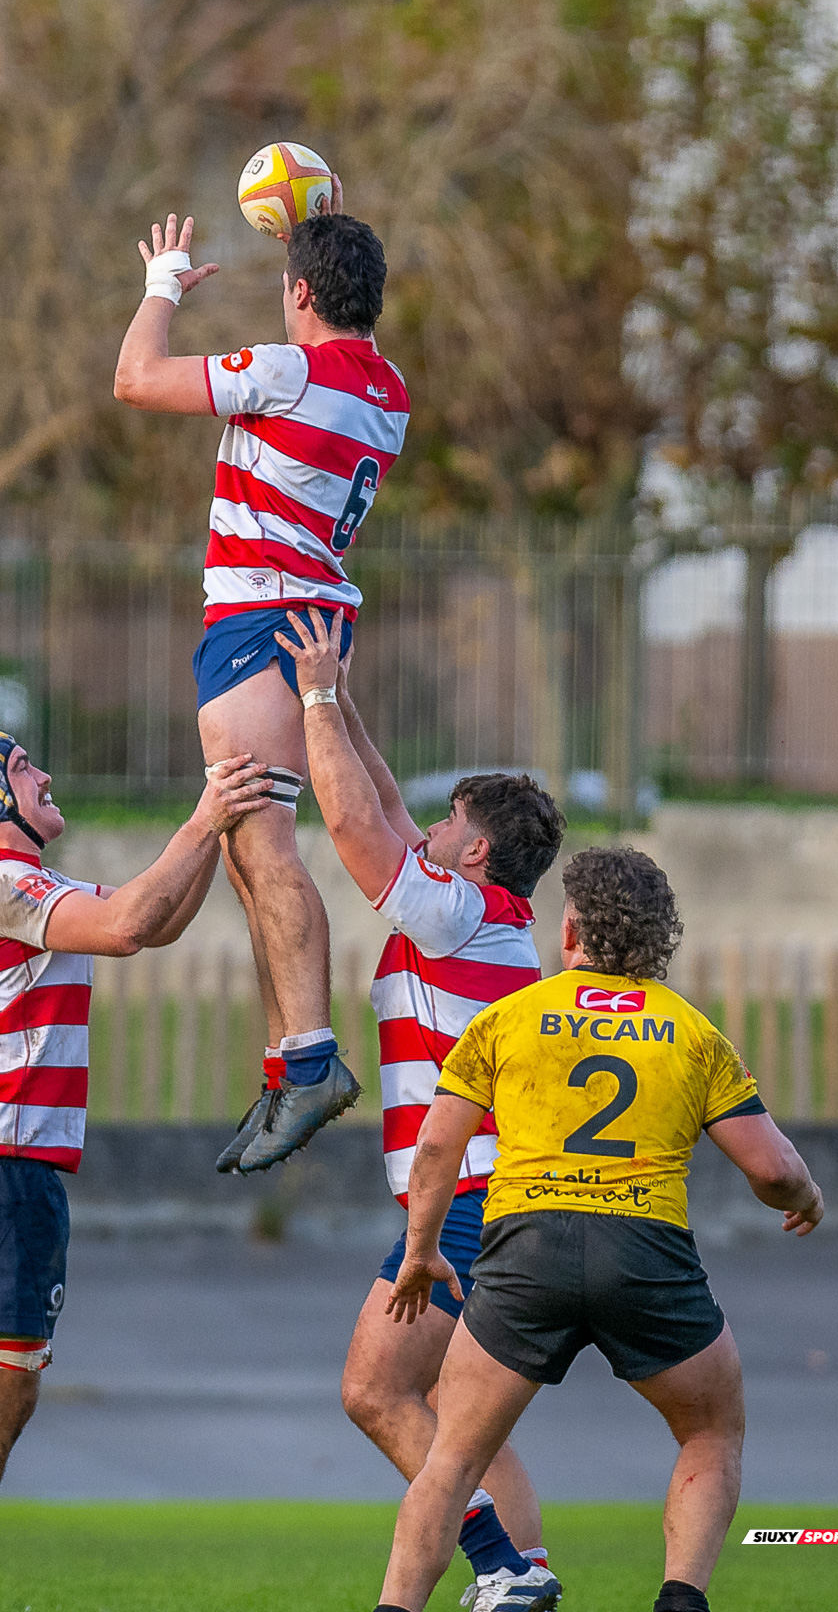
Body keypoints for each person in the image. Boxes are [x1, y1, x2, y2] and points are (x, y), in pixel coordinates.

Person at [0, 728, 269, 1612]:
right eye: (23, 768)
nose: (47, 775)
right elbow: (130, 924)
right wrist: (205, 816)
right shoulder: (1, 881)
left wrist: (217, 828)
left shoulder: (20, 884)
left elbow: (153, 923)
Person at [376, 845, 825, 1612]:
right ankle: (680, 1601)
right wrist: (805, 1195)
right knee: (710, 1432)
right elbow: (772, 1168)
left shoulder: (508, 1018)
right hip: (643, 1255)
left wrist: (421, 1252)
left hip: (526, 1251)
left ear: (571, 930)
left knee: (451, 1458)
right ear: (658, 938)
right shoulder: (690, 1031)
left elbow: (437, 1149)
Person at [274, 607, 566, 1612]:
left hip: (471, 1202)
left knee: (373, 1391)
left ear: (475, 850)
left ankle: (501, 1566)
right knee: (456, 1414)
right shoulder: (482, 912)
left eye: (449, 823)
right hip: (503, 1196)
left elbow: (359, 828)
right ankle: (525, 1579)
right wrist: (340, 699)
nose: (428, 831)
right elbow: (390, 805)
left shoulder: (455, 913)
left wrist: (315, 698)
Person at [113, 185, 408, 1171]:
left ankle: (311, 1061)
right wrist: (316, 242)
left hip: (265, 614)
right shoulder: (388, 391)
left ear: (299, 295)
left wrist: (162, 285)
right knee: (249, 842)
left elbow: (135, 379)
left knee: (262, 835)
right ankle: (288, 1067)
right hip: (300, 610)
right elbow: (321, 368)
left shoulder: (286, 371)